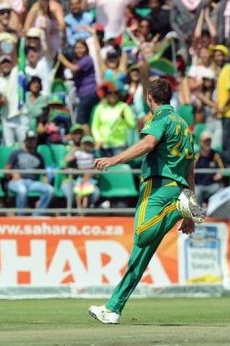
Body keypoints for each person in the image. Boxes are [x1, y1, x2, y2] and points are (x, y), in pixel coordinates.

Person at [88, 79, 205, 324]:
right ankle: (113, 309)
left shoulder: (159, 118)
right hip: (178, 187)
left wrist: (114, 159)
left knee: (141, 235)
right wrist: (191, 211)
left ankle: (176, 208)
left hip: (157, 187)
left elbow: (148, 143)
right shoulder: (184, 126)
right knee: (139, 257)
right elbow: (190, 170)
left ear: (149, 97)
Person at [6, 130, 54, 216]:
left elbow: (44, 174)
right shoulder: (16, 153)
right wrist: (13, 173)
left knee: (49, 190)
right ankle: (21, 218)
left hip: (33, 182)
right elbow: (6, 169)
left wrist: (46, 181)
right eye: (29, 139)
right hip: (17, 181)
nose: (31, 142)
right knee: (22, 190)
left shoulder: (39, 156)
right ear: (25, 141)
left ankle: (36, 215)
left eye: (33, 139)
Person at [91, 82, 135, 157]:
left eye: (115, 92)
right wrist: (98, 139)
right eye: (110, 93)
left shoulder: (124, 107)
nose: (113, 95)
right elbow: (95, 126)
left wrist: (125, 117)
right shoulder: (100, 108)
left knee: (118, 168)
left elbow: (132, 125)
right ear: (106, 95)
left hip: (119, 146)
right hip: (103, 145)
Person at [194, 131, 225, 206]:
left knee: (220, 189)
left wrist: (220, 174)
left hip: (212, 184)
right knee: (195, 192)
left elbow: (222, 169)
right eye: (205, 141)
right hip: (199, 185)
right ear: (201, 142)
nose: (207, 143)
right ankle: (198, 214)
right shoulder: (196, 156)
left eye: (209, 141)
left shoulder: (216, 154)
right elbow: (191, 170)